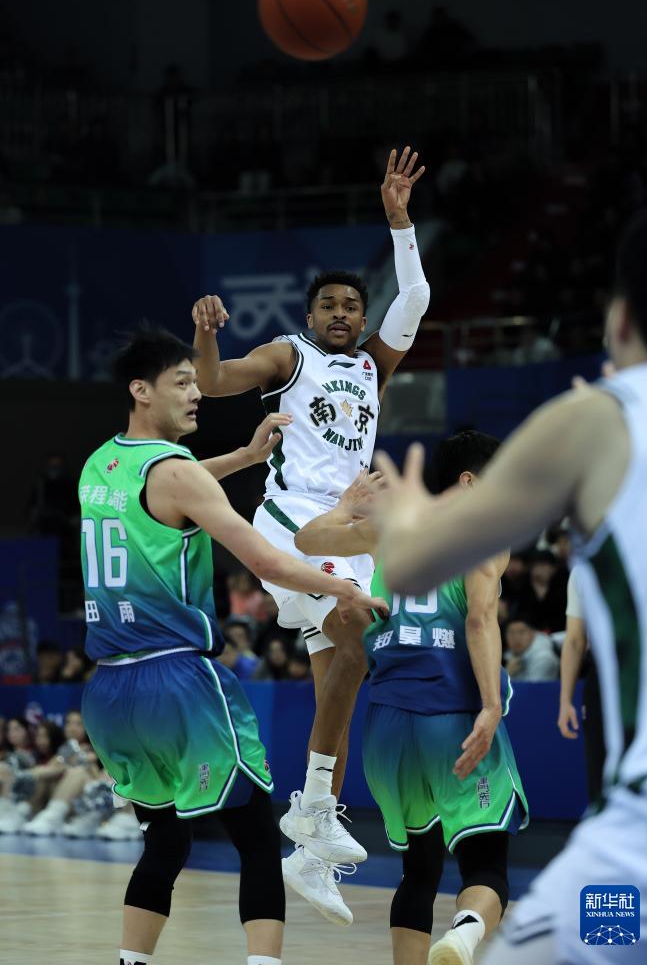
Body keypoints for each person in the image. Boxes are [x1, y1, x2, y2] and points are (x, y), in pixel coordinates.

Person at [374, 207, 647, 963]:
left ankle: (485, 937)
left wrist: (405, 518)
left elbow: (413, 567)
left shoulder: (596, 419)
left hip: (642, 816)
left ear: (619, 318)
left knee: (588, 937)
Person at [78, 326, 386, 965]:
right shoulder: (178, 473)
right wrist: (342, 588)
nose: (197, 394)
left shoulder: (99, 465)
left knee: (165, 842)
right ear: (141, 390)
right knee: (256, 841)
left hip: (107, 690)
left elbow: (171, 489)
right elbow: (265, 559)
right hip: (176, 682)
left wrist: (244, 458)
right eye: (182, 383)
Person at [190, 146, 430, 918]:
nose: (341, 314)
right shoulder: (289, 356)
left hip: (349, 531)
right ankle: (314, 811)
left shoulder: (373, 367)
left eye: (351, 306)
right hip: (293, 523)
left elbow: (416, 295)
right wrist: (206, 336)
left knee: (345, 672)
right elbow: (215, 381)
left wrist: (399, 223)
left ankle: (311, 846)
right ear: (310, 316)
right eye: (328, 305)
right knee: (355, 634)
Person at [295, 433, 528, 962]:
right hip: (451, 715)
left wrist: (344, 507)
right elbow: (480, 619)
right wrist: (491, 706)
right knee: (486, 865)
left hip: (386, 727)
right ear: (470, 481)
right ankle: (463, 935)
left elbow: (307, 540)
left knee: (418, 871)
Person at [557, 568, 606, 804]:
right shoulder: (583, 569)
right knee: (601, 767)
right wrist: (565, 701)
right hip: (603, 677)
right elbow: (575, 639)